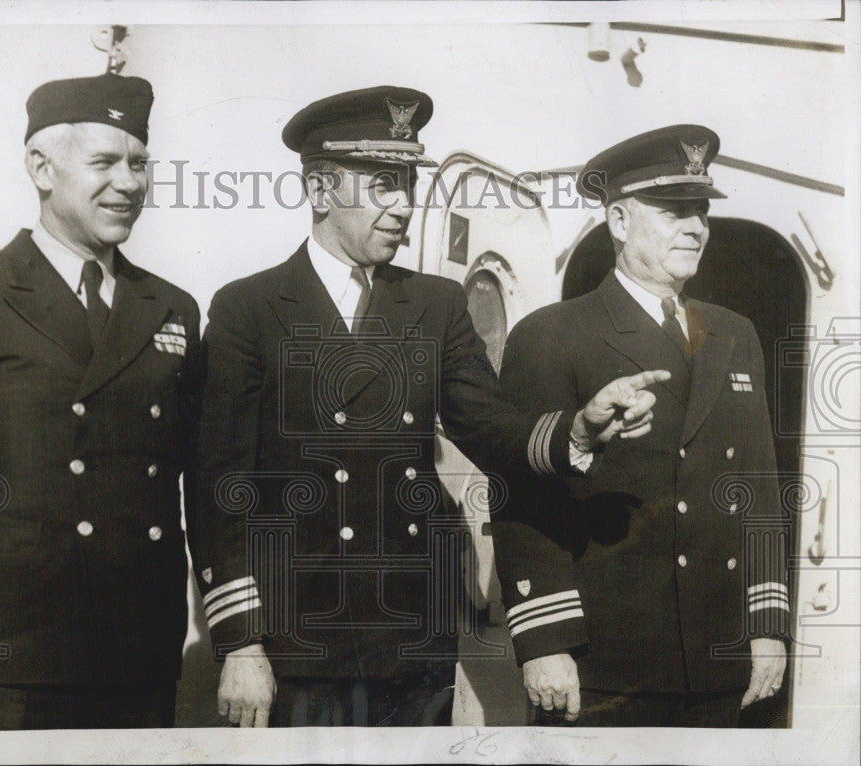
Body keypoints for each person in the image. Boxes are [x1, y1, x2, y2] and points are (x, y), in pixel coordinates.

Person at [192, 86, 670, 727]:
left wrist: (578, 431)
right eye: (383, 185)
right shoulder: (247, 309)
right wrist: (242, 642)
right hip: (294, 640)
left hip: (411, 637)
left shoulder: (435, 305)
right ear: (320, 191)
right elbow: (220, 483)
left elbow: (489, 426)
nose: (403, 207)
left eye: (408, 185)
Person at [0, 73, 200, 729]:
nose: (128, 184)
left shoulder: (172, 306)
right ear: (41, 167)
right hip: (10, 653)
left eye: (139, 164)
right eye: (104, 163)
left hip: (138, 649)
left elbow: (190, 466)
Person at [492, 124, 789, 727]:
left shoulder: (735, 334)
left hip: (715, 655)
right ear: (620, 222)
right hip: (602, 659)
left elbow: (758, 488)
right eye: (674, 210)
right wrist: (545, 642)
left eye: (700, 210)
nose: (696, 226)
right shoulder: (552, 334)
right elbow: (523, 496)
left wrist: (766, 626)